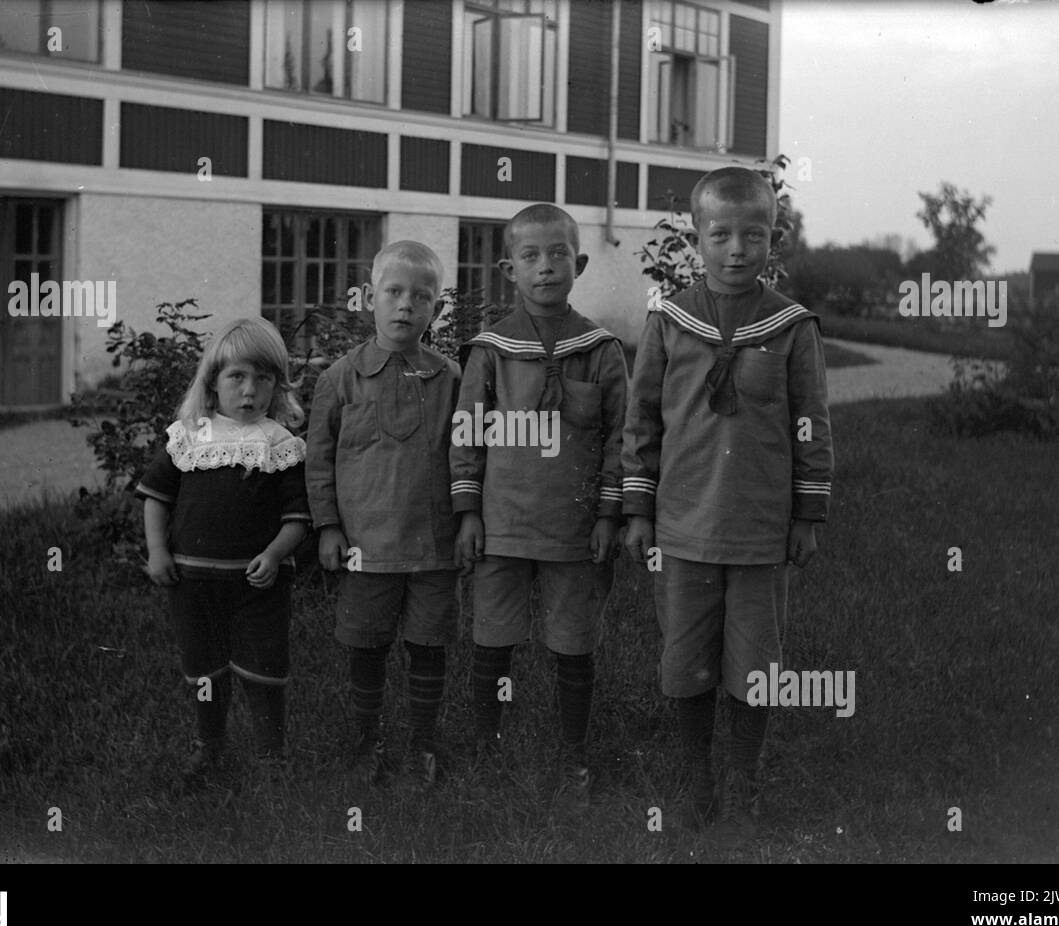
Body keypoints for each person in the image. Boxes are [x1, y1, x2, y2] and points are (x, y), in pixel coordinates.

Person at [623, 166, 834, 835]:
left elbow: (812, 421)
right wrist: (636, 507)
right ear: (697, 237)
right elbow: (643, 419)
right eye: (721, 235)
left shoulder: (792, 326)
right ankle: (695, 779)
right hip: (682, 525)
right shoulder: (669, 319)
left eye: (755, 234)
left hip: (759, 528)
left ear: (773, 238)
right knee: (685, 659)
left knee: (756, 662)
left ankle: (742, 781)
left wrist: (806, 514)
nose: (738, 249)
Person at [452, 203, 626, 811]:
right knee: (492, 643)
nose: (545, 268)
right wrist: (469, 512)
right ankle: (489, 754)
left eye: (558, 256)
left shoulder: (601, 350)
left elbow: (617, 438)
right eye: (530, 257)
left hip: (573, 530)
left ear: (578, 264)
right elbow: (468, 432)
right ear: (509, 269)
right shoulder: (491, 351)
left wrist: (607, 514)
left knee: (572, 645)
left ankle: (574, 760)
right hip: (501, 525)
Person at [306, 241, 461, 788]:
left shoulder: (450, 380)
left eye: (421, 298)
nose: (405, 307)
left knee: (427, 646)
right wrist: (327, 526)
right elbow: (319, 461)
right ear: (370, 298)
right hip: (364, 546)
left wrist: (466, 520)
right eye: (393, 293)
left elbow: (467, 458)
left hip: (434, 546)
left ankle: (422, 745)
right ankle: (365, 744)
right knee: (366, 645)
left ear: (436, 310)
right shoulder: (340, 379)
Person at [136, 317, 311, 780]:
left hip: (257, 584)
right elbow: (157, 498)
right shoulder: (190, 436)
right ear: (212, 383)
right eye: (237, 376)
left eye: (263, 377)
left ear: (278, 385)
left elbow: (298, 519)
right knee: (204, 669)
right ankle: (208, 745)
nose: (250, 390)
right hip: (191, 582)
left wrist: (274, 555)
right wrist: (157, 551)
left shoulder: (279, 444)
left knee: (263, 667)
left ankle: (271, 753)